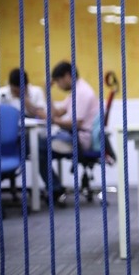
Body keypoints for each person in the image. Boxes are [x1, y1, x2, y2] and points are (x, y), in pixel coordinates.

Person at [39, 61, 99, 204]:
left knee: (39, 145)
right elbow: (58, 113)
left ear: (67, 76)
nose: (58, 86)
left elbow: (75, 123)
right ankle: (55, 188)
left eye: (58, 81)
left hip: (80, 138)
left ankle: (55, 189)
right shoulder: (76, 91)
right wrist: (48, 93)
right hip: (74, 135)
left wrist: (51, 120)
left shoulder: (82, 92)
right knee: (39, 148)